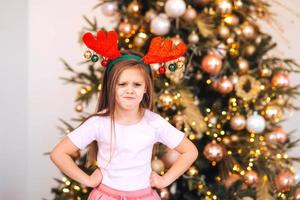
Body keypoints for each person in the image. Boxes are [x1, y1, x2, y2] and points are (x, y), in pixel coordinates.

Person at [50, 31, 198, 200]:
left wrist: (165, 180)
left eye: (136, 84)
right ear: (111, 87)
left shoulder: (154, 123)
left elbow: (190, 151)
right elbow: (59, 154)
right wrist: (88, 180)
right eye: (122, 84)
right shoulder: (98, 123)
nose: (129, 90)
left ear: (146, 89)